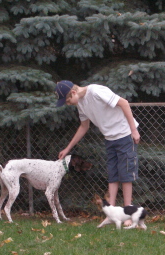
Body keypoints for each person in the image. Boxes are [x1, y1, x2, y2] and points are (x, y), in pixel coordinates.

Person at [55, 80, 140, 227]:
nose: (68, 104)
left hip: (125, 134)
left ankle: (128, 215)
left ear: (74, 92)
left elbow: (124, 103)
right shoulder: (80, 103)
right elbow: (84, 126)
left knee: (126, 175)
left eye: (68, 100)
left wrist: (133, 130)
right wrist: (68, 148)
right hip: (109, 139)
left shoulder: (96, 91)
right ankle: (112, 215)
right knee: (113, 176)